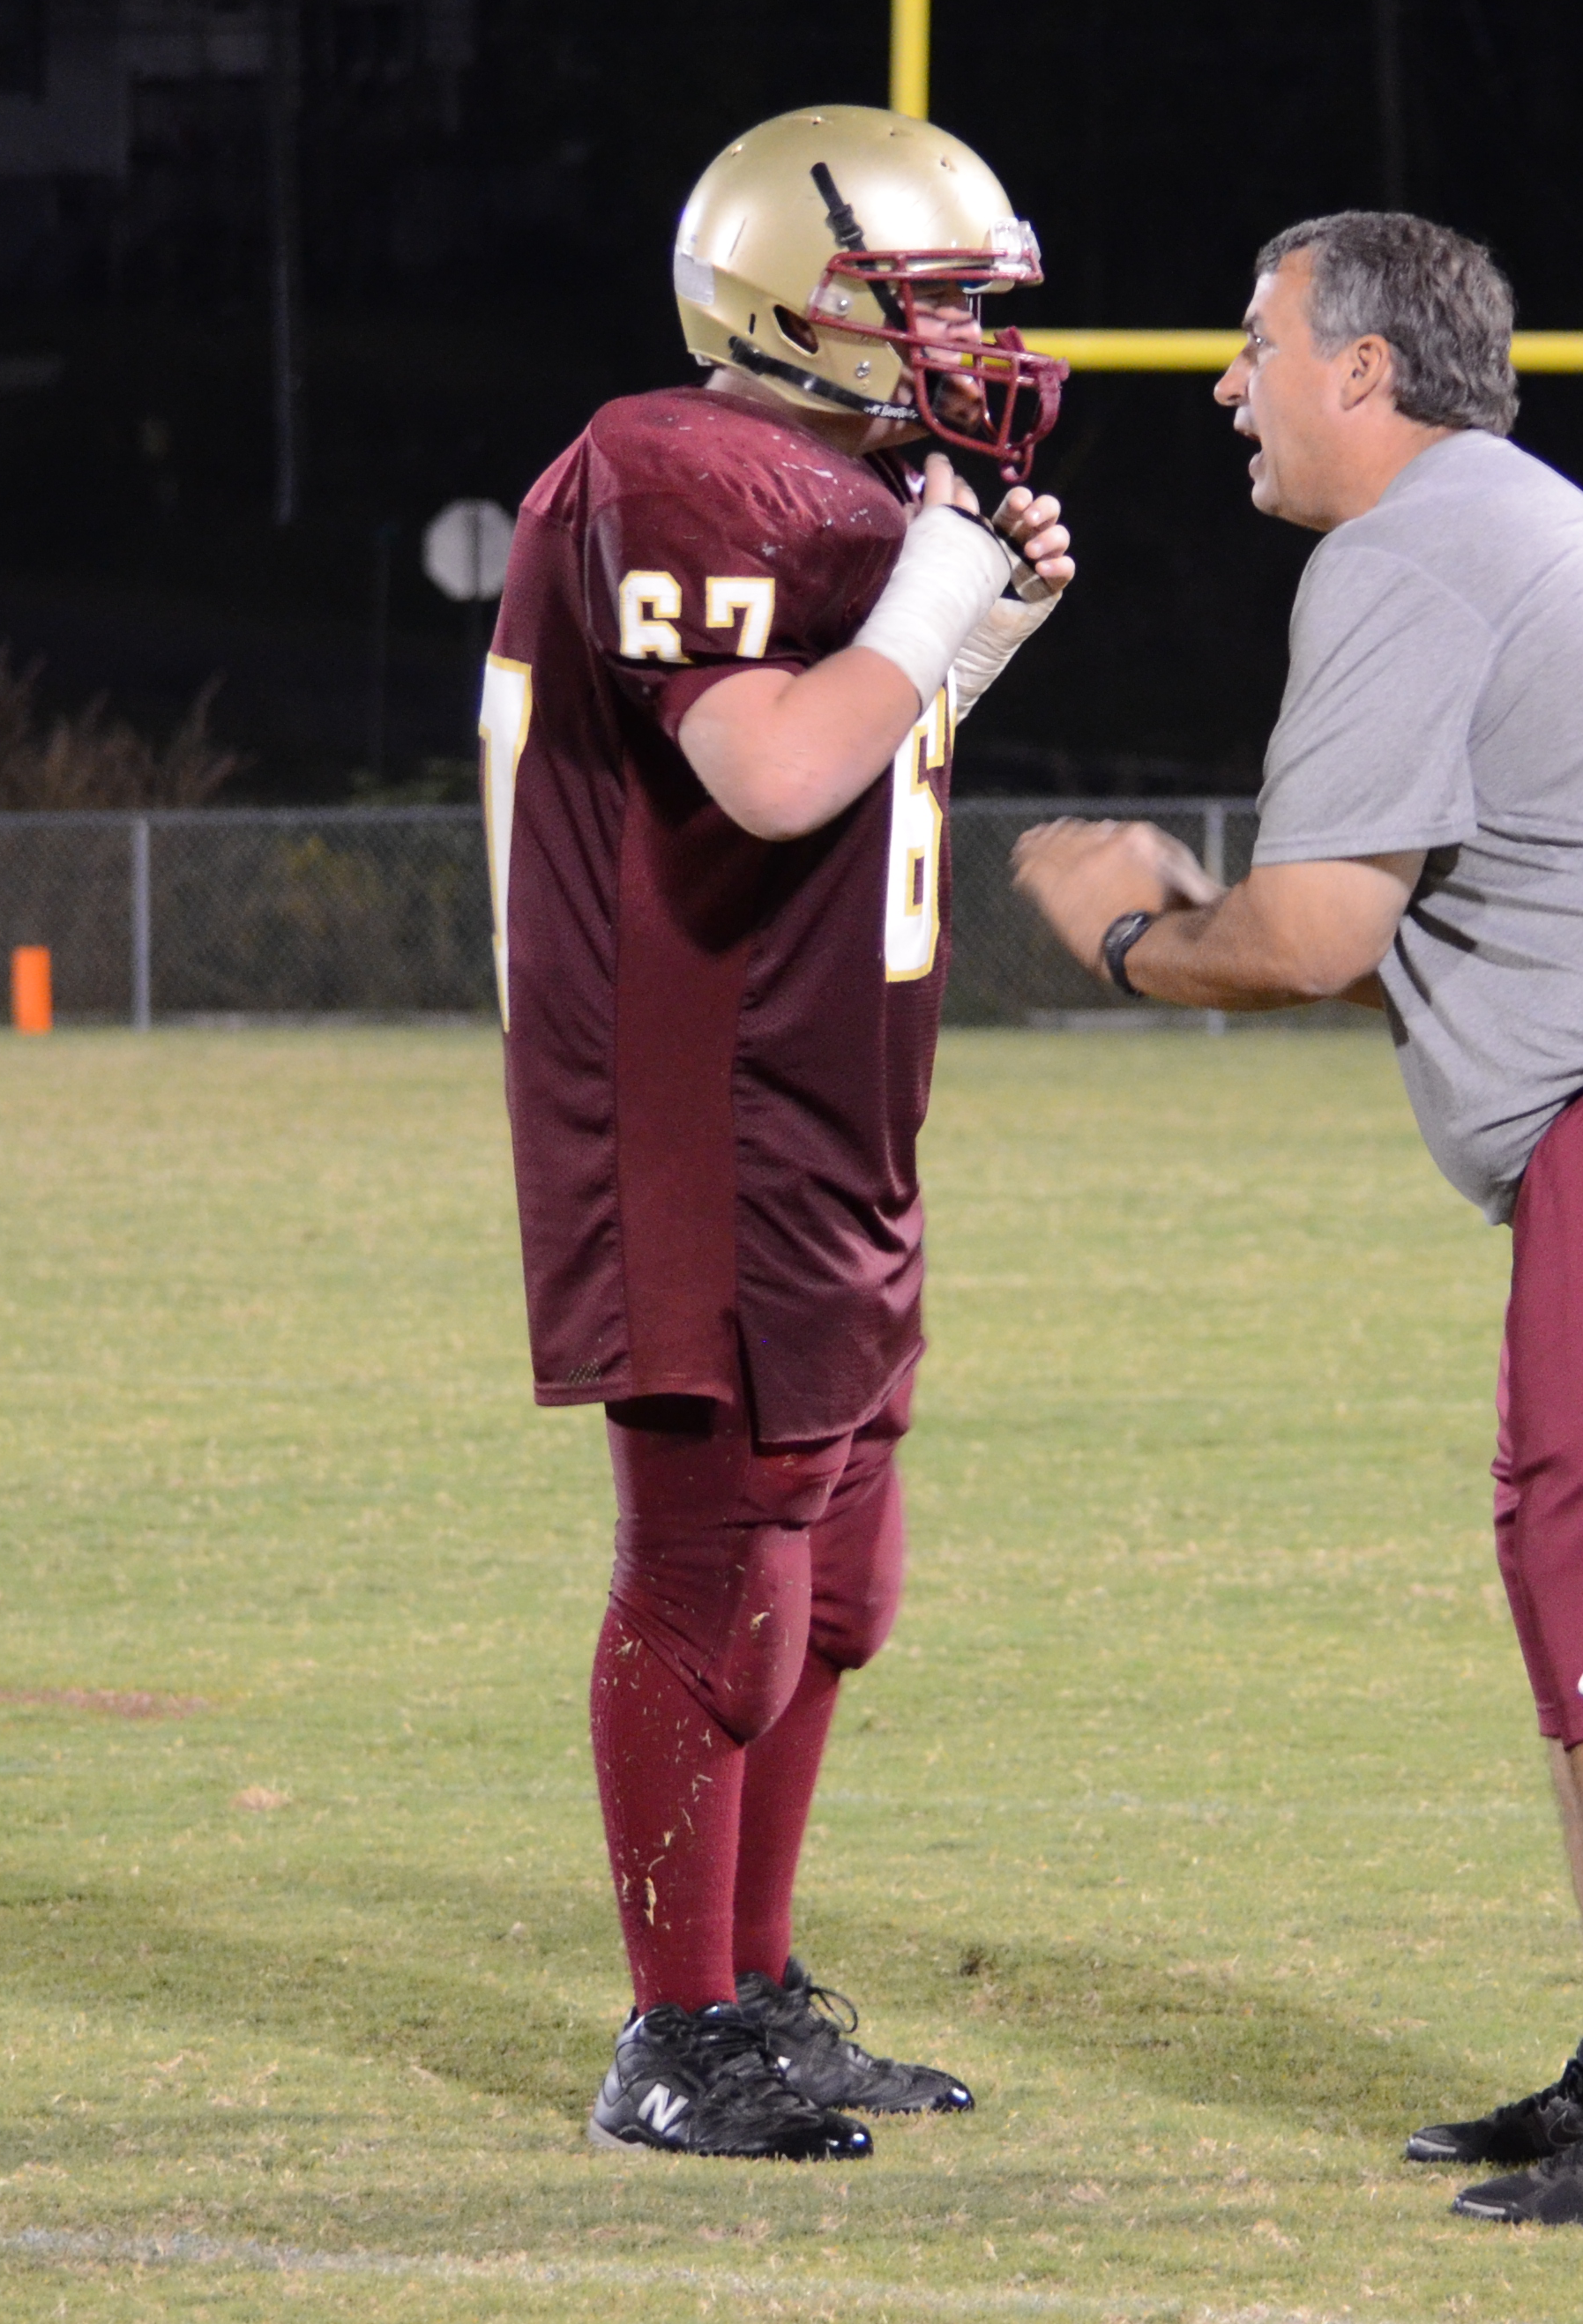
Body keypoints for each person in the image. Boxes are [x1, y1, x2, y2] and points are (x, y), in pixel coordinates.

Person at [1011, 212, 1583, 2231]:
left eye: (1255, 343)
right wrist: (1194, 934)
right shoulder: (1500, 526)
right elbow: (1379, 931)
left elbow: (1317, 929)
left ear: (1367, 371)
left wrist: (1132, 935)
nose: (1223, 382)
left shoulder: (1408, 547)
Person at [487, 106, 1075, 2162]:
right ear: (792, 301)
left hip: (834, 1104)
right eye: (933, 303)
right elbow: (759, 774)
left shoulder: (815, 485)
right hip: (703, 1111)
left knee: (837, 1594)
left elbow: (855, 767)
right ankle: (674, 2035)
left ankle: (752, 1993)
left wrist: (958, 634)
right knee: (717, 1578)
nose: (972, 347)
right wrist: (926, 598)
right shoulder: (678, 463)